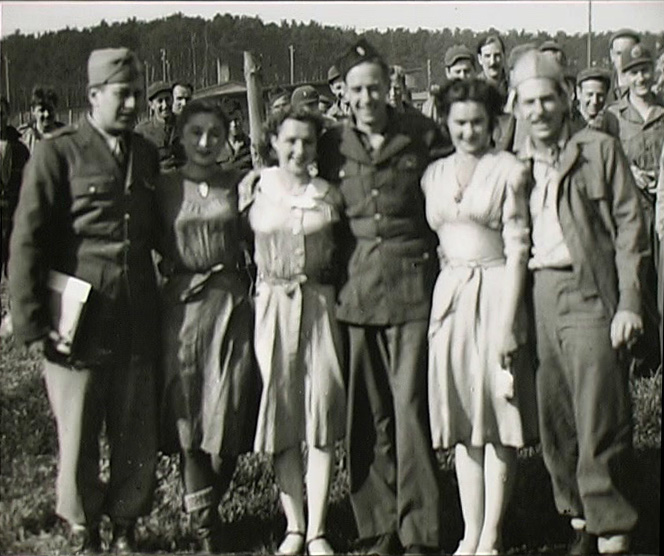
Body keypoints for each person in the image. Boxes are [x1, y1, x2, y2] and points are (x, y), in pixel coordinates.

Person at [8, 48, 161, 554]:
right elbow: (27, 238)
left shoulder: (145, 152)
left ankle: (125, 524)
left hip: (136, 313)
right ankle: (83, 526)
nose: (133, 103)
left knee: (136, 431)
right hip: (77, 318)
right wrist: (31, 321)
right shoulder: (58, 153)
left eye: (137, 93)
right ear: (94, 96)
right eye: (122, 94)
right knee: (77, 431)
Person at [318, 38, 451, 555]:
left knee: (410, 408)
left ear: (389, 86)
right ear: (344, 92)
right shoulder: (331, 144)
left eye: (375, 86)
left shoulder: (421, 134)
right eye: (356, 89)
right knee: (367, 414)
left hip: (413, 286)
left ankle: (420, 531)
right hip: (357, 290)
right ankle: (378, 526)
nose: (367, 97)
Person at [513, 50, 648, 555]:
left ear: (566, 96)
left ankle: (611, 521)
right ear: (518, 106)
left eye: (548, 98)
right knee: (555, 411)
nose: (539, 110)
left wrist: (630, 300)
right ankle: (575, 516)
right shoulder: (516, 161)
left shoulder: (600, 150)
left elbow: (632, 228)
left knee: (600, 405)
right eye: (529, 101)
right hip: (537, 293)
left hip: (589, 289)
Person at [422, 78, 538, 556]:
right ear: (447, 123)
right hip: (450, 297)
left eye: (478, 122)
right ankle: (469, 532)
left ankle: (491, 535)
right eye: (459, 122)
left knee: (497, 416)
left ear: (493, 124)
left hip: (496, 294)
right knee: (464, 420)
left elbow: (517, 251)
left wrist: (509, 322)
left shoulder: (509, 169)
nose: (469, 131)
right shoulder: (433, 175)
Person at [156, 98, 258, 553]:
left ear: (226, 137)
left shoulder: (239, 183)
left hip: (232, 303)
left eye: (214, 134)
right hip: (182, 308)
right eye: (195, 132)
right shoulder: (162, 189)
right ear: (180, 137)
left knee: (233, 407)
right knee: (189, 415)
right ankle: (206, 527)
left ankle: (208, 497)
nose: (205, 142)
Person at [251, 106, 346, 556]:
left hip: (319, 308)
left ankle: (318, 530)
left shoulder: (329, 195)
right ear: (274, 142)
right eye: (289, 140)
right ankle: (294, 524)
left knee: (321, 411)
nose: (298, 149)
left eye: (307, 141)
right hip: (272, 306)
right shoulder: (254, 188)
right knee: (283, 413)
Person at [607, 44, 664, 375]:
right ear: (624, 76)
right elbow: (610, 158)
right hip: (630, 212)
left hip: (660, 209)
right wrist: (632, 172)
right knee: (635, 283)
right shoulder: (615, 117)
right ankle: (640, 363)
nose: (641, 77)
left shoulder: (662, 111)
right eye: (633, 71)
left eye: (645, 69)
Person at [0, 96, 30, 279]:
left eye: (1, 113)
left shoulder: (20, 150)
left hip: (13, 222)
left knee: (16, 278)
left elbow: (28, 187)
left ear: (7, 115)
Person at [135, 80, 179, 171]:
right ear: (151, 105)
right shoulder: (142, 132)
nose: (165, 105)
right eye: (160, 101)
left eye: (167, 99)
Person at [573, 67, 620, 136]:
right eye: (590, 94)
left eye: (600, 95)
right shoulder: (567, 123)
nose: (595, 101)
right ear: (578, 93)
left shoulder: (612, 123)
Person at [18, 86, 66, 153]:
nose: (46, 114)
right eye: (42, 110)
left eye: (50, 109)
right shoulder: (24, 138)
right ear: (33, 111)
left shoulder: (66, 137)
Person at [217, 102, 252, 172]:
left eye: (237, 120)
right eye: (230, 121)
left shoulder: (251, 146)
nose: (234, 125)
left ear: (242, 119)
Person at [608, 28, 641, 102]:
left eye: (629, 53)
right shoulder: (603, 88)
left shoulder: (650, 88)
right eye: (619, 53)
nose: (624, 60)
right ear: (612, 55)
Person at [476, 34, 508, 102]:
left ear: (504, 56)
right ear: (480, 59)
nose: (492, 62)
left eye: (497, 55)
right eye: (487, 56)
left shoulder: (513, 85)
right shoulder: (474, 89)